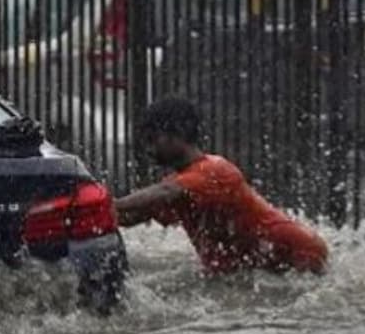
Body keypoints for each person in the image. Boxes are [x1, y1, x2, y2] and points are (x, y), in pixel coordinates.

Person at [114, 97, 329, 275]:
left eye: (153, 139)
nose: (148, 149)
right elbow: (132, 217)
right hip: (259, 263)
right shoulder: (179, 185)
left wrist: (111, 202)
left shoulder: (214, 170)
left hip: (297, 253)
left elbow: (164, 192)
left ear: (177, 133)